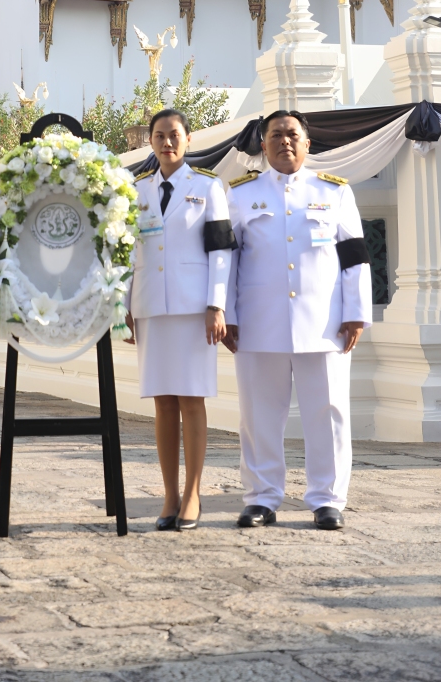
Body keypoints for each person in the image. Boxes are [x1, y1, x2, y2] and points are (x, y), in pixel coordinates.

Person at [224, 109, 372, 532]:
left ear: (307, 143)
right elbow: (227, 259)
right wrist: (227, 314)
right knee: (258, 417)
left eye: (292, 134)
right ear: (263, 144)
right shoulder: (241, 193)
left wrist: (356, 312)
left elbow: (355, 256)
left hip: (324, 323)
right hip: (258, 322)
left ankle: (328, 500)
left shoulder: (334, 191)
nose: (284, 141)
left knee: (328, 413)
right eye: (275, 135)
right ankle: (261, 498)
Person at [125, 108, 235, 531]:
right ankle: (169, 494)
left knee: (191, 399)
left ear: (188, 139)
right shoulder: (137, 189)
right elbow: (127, 253)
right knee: (162, 402)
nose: (167, 142)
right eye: (159, 135)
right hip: (151, 306)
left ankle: (192, 494)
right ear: (150, 141)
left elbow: (220, 250)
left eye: (174, 135)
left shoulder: (207, 187)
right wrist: (125, 307)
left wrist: (216, 305)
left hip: (194, 311)